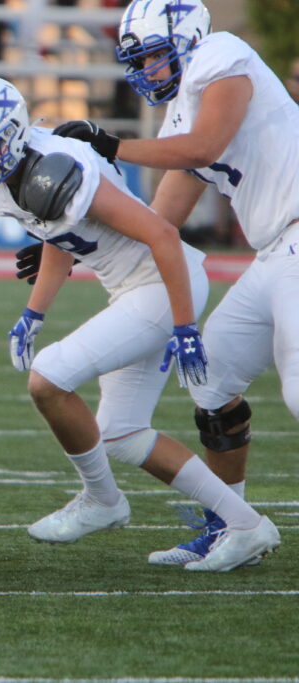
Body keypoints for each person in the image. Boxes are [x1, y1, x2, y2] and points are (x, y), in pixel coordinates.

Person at [0, 76, 279, 572]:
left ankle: (102, 500)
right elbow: (58, 232)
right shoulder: (17, 174)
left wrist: (185, 326)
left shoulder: (60, 166)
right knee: (120, 433)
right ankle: (245, 524)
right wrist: (34, 312)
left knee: (49, 377)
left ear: (11, 135)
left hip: (162, 284)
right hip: (134, 289)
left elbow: (163, 235)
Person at [50, 0, 297, 567]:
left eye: (155, 56)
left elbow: (204, 147)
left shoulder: (222, 54)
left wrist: (110, 145)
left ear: (187, 38)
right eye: (139, 61)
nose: (148, 70)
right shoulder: (182, 110)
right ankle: (233, 527)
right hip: (275, 253)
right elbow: (157, 222)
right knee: (214, 382)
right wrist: (68, 233)